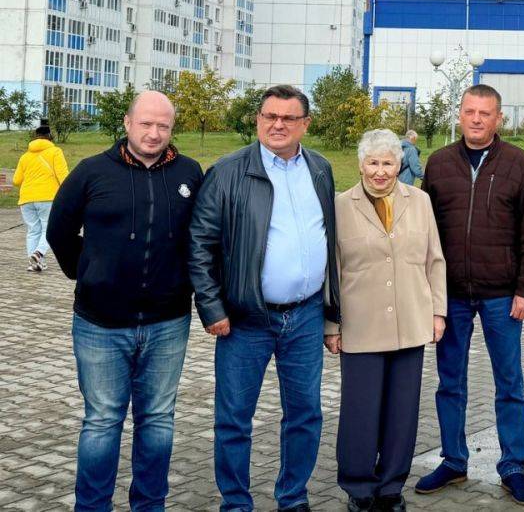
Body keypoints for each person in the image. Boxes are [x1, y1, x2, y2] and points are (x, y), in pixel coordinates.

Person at [46, 91, 204, 511]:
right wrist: (90, 271)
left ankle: (150, 504)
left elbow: (200, 240)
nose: (154, 133)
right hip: (100, 324)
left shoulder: (189, 173)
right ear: (127, 123)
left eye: (163, 126)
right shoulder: (91, 172)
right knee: (101, 422)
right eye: (146, 124)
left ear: (172, 129)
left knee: (157, 422)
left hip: (167, 323)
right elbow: (58, 232)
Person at [188, 84, 338, 512]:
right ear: (257, 120)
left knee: (306, 415)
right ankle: (236, 502)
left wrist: (333, 314)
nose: (278, 124)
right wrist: (212, 308)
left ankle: (293, 497)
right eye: (270, 116)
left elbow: (332, 242)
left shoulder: (321, 169)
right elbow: (200, 244)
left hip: (306, 316)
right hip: (244, 319)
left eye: (289, 118)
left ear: (305, 125)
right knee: (234, 420)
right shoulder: (228, 171)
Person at [416, 84, 524, 506]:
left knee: (509, 382)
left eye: (485, 113)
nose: (476, 119)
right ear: (460, 115)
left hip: (501, 295)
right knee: (449, 382)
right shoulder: (437, 164)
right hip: (450, 295)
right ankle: (454, 460)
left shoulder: (519, 164)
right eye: (470, 111)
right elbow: (425, 233)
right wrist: (427, 292)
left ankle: (513, 466)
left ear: (498, 118)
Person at [326, 129, 446, 512]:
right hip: (360, 327)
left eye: (388, 163)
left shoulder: (420, 201)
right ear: (361, 164)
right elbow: (333, 270)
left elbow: (435, 260)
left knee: (403, 412)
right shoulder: (340, 205)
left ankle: (392, 485)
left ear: (400, 164)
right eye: (373, 162)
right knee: (361, 412)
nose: (381, 172)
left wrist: (437, 312)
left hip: (411, 321)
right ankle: (359, 489)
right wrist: (332, 325)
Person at [13, 124, 68, 271]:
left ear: (35, 137)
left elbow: (16, 180)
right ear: (50, 137)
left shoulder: (25, 156)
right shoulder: (55, 152)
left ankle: (35, 263)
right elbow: (63, 177)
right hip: (47, 198)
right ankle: (38, 253)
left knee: (33, 230)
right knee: (48, 230)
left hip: (26, 199)